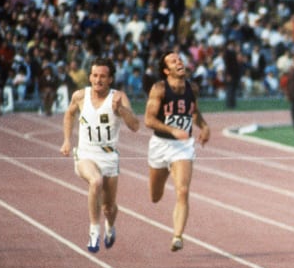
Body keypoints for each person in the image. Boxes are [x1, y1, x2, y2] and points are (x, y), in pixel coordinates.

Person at [60, 58, 141, 252]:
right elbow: (69, 114)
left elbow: (135, 126)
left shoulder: (118, 97)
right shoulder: (80, 96)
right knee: (95, 181)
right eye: (95, 76)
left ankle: (110, 227)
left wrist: (120, 109)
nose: (98, 80)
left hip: (109, 156)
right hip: (85, 153)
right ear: (89, 77)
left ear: (110, 79)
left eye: (103, 76)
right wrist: (67, 140)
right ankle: (93, 232)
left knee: (109, 207)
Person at [144, 51, 211, 252]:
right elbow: (149, 120)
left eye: (180, 59)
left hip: (182, 147)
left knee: (182, 190)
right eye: (173, 61)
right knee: (155, 196)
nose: (179, 62)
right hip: (160, 145)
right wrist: (172, 129)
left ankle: (177, 236)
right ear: (166, 71)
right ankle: (163, 177)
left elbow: (194, 112)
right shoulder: (159, 89)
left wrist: (204, 126)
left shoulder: (193, 88)